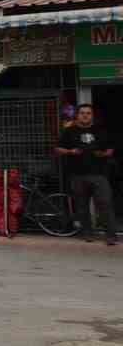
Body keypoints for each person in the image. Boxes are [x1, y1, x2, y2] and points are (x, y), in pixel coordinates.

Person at [57, 104, 116, 244]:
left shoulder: (101, 130)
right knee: (82, 206)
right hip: (77, 175)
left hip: (99, 174)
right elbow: (58, 149)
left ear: (92, 115)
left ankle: (111, 235)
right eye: (82, 113)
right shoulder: (69, 131)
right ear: (77, 115)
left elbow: (110, 149)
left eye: (88, 113)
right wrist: (70, 152)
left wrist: (103, 154)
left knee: (105, 203)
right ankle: (88, 233)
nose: (85, 115)